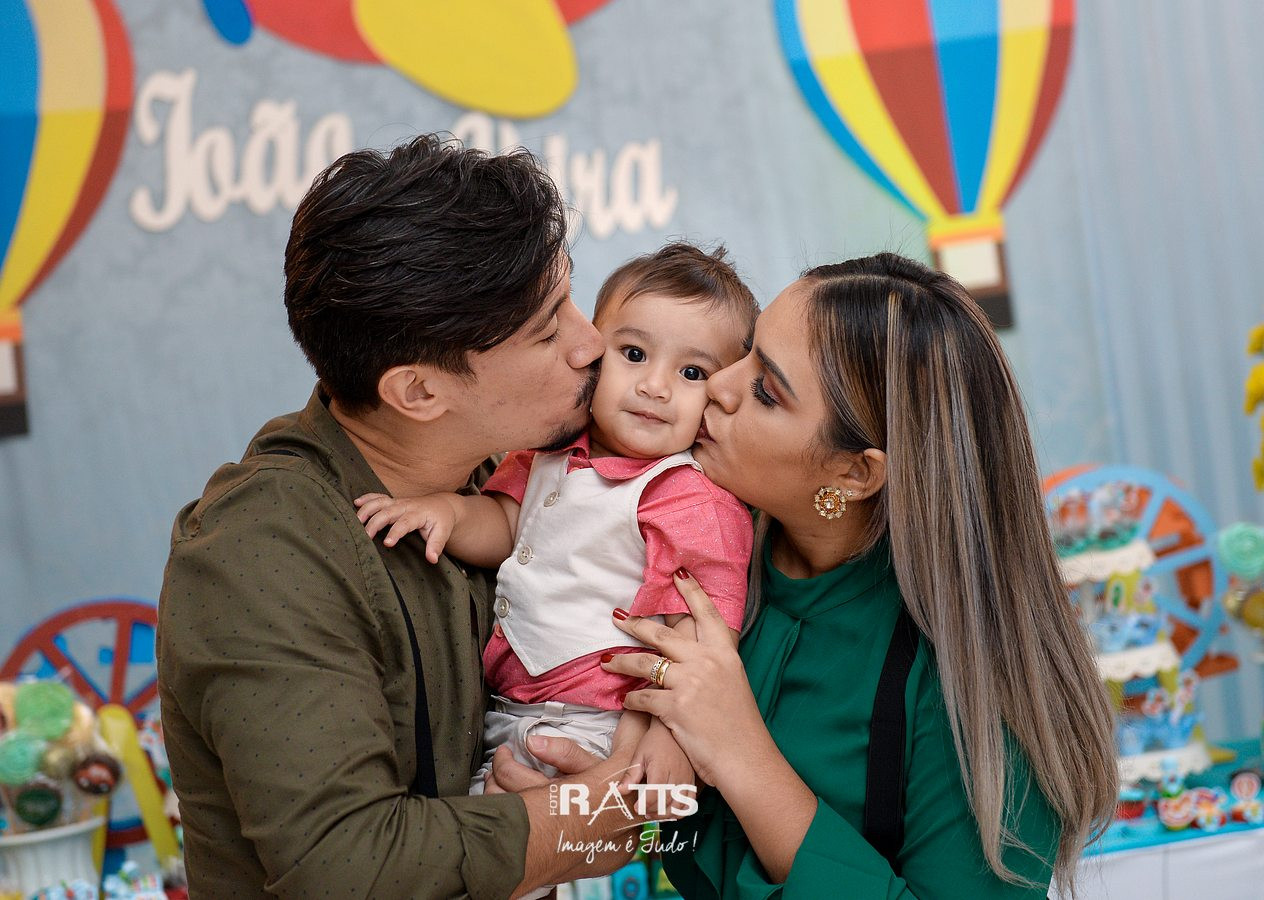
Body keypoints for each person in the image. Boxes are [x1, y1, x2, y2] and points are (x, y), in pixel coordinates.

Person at [157, 135, 657, 898]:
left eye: (570, 298)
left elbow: (660, 812)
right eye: (547, 329)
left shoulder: (522, 475)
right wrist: (598, 818)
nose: (593, 344)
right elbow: (348, 866)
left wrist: (637, 804)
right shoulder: (259, 551)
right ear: (419, 392)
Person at [600, 253, 1118, 897]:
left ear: (853, 474)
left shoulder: (972, 687)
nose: (719, 385)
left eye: (766, 390)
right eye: (748, 351)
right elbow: (655, 832)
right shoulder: (686, 548)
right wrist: (585, 809)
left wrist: (741, 752)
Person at [353, 244, 758, 813]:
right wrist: (448, 512)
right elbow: (506, 524)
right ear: (593, 351)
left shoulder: (688, 497)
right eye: (634, 353)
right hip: (507, 708)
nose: (655, 386)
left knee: (558, 835)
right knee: (487, 834)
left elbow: (698, 633)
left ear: (719, 397)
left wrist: (669, 734)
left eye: (692, 372)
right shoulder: (546, 453)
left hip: (603, 720)